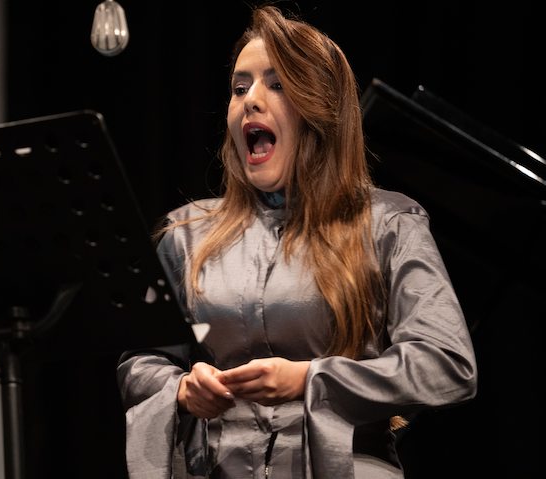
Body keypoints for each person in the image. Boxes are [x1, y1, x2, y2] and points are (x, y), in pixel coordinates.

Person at [116, 5, 477, 478]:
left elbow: (446, 363)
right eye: (239, 88)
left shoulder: (387, 223)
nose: (250, 100)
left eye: (277, 85)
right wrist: (183, 388)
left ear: (320, 110)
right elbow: (142, 361)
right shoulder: (185, 234)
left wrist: (310, 378)